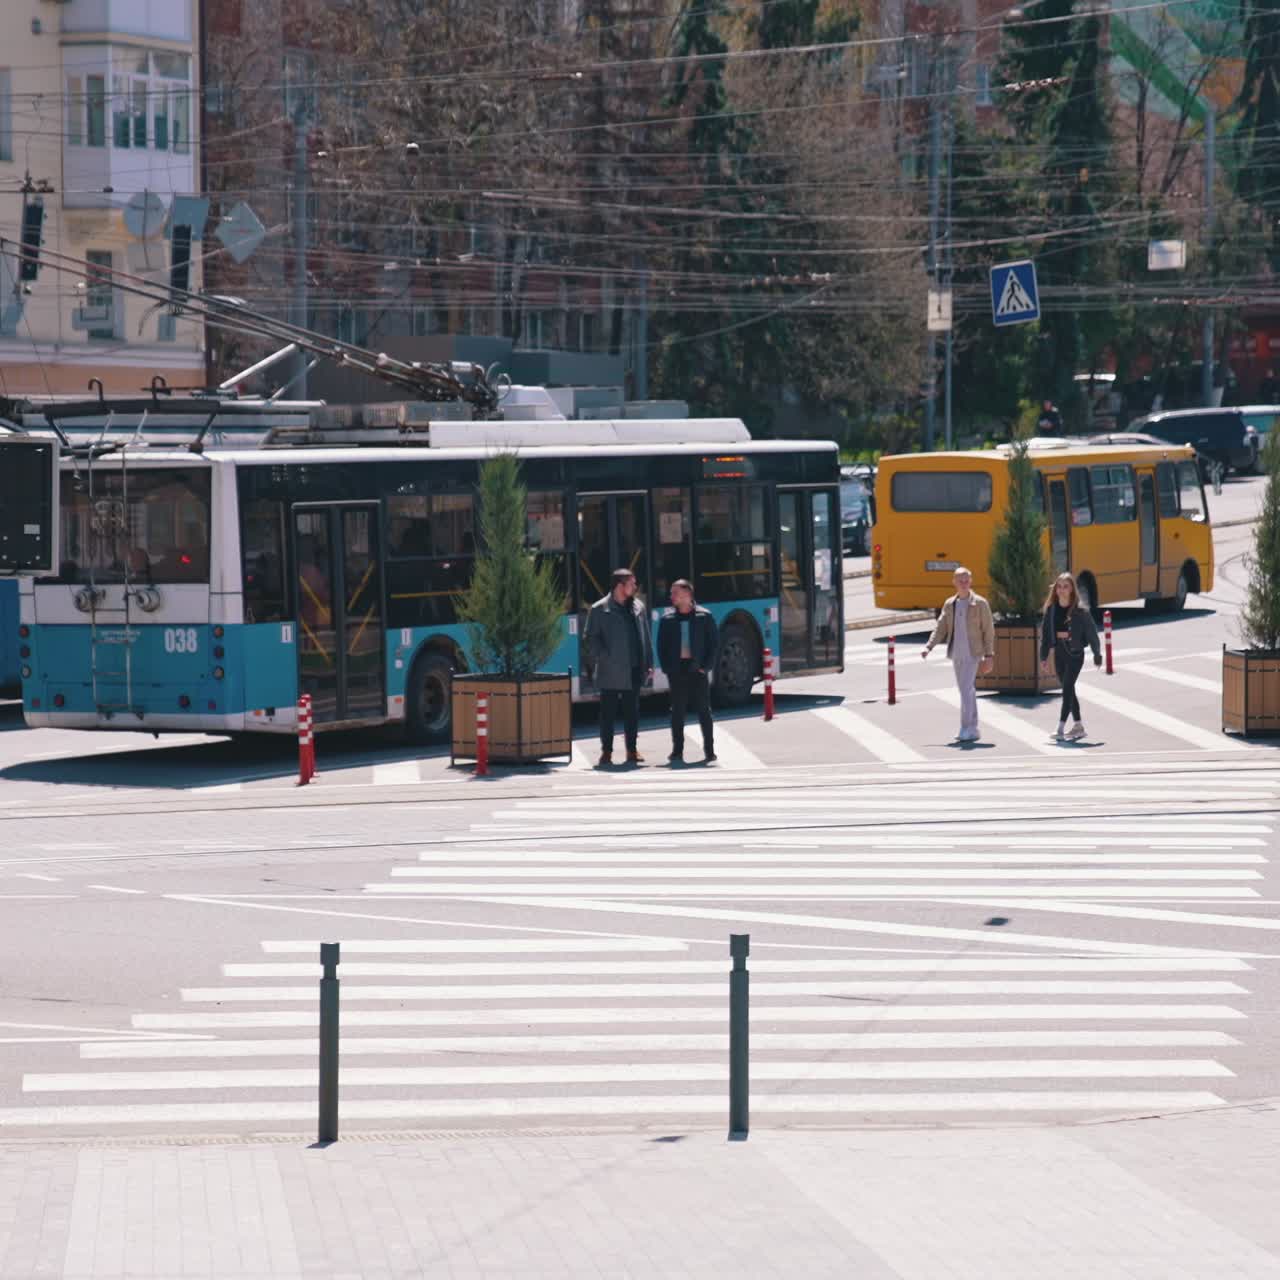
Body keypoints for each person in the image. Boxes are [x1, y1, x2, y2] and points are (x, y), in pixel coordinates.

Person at [582, 568, 653, 766]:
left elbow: (645, 637)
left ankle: (632, 750)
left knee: (632, 712)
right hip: (610, 669)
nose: (635, 587)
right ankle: (606, 752)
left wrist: (649, 663)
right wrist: (605, 656)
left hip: (634, 668)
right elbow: (589, 639)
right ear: (620, 586)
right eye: (631, 583)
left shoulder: (638, 606)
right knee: (608, 714)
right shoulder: (599, 609)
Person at [921, 566, 995, 742]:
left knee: (965, 690)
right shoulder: (950, 604)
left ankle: (966, 727)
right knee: (967, 690)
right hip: (956, 653)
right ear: (954, 582)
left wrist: (989, 655)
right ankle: (973, 728)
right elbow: (941, 628)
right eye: (960, 580)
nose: (964, 583)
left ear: (971, 581)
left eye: (966, 580)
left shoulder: (980, 603)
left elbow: (988, 630)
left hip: (973, 653)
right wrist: (929, 647)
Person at [656, 579, 718, 764]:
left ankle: (709, 750)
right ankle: (677, 751)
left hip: (697, 670)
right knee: (677, 711)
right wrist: (667, 668)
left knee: (703, 711)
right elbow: (661, 646)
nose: (671, 596)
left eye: (675, 593)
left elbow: (713, 645)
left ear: (687, 595)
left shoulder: (704, 616)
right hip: (677, 670)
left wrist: (705, 667)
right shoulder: (667, 619)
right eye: (671, 593)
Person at [1039, 571, 1102, 740]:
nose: (1061, 590)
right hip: (1059, 652)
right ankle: (1078, 725)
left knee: (1066, 688)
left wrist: (1097, 654)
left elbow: (1091, 632)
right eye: (1059, 587)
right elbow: (1045, 635)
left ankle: (1060, 728)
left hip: (1075, 653)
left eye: (1065, 587)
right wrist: (1043, 657)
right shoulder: (1051, 609)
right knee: (1068, 689)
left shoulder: (1080, 611)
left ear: (1072, 589)